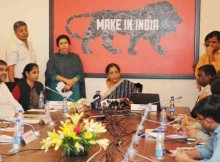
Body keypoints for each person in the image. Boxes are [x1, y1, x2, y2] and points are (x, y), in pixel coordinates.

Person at [171, 95, 220, 161]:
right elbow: (208, 150)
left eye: (199, 119)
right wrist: (187, 154)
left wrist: (186, 160)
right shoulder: (215, 131)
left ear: (208, 121)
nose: (197, 121)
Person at [45, 34, 85, 101]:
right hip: (58, 90)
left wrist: (71, 83)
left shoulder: (75, 57)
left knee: (73, 109)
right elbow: (51, 74)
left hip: (73, 89)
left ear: (69, 45)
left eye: (65, 43)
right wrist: (66, 81)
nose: (64, 45)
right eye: (61, 43)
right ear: (58, 46)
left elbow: (80, 74)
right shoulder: (53, 58)